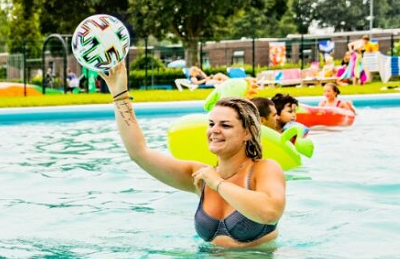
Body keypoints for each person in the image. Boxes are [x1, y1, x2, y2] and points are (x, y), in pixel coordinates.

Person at [103, 61, 285, 248]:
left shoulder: (263, 169)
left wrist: (218, 183)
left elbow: (270, 212)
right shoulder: (201, 176)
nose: (214, 131)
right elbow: (139, 153)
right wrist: (120, 95)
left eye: (225, 125)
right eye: (211, 124)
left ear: (247, 132)